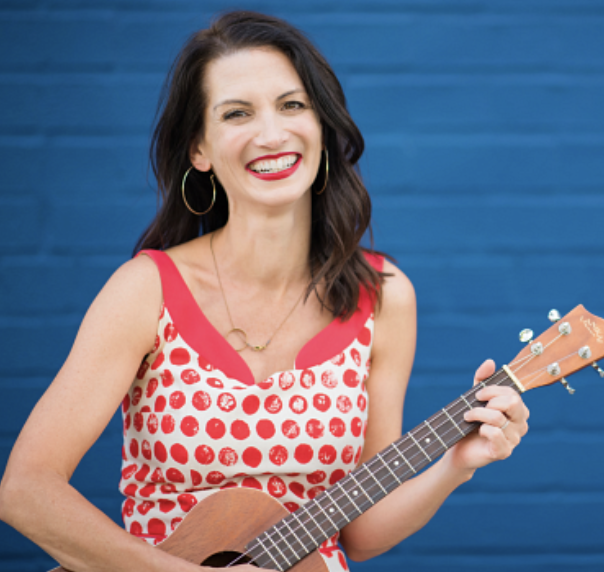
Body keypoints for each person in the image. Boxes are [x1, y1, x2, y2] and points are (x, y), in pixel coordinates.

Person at [0, 10, 529, 572]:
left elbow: (360, 534)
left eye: (292, 105)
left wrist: (456, 465)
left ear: (322, 126)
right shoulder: (146, 290)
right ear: (199, 149)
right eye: (237, 113)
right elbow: (25, 490)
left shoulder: (383, 295)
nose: (272, 134)